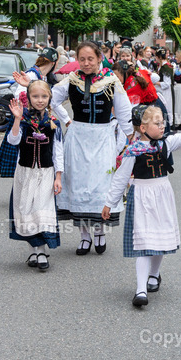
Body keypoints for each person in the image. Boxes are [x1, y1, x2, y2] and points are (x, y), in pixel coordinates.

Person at [104, 105, 181, 306]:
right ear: (143, 128)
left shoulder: (167, 143)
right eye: (157, 123)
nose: (162, 127)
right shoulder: (133, 150)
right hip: (141, 195)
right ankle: (140, 289)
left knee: (160, 238)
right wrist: (109, 203)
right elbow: (120, 178)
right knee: (143, 242)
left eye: (163, 123)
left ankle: (154, 274)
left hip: (162, 194)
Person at [49, 41, 133, 255]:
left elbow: (123, 113)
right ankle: (84, 237)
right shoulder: (71, 80)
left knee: (100, 186)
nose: (86, 63)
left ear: (99, 58)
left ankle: (99, 232)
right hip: (78, 138)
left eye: (90, 59)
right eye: (82, 59)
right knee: (78, 184)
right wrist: (67, 120)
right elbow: (52, 100)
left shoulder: (111, 81)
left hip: (103, 137)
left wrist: (132, 137)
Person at [7, 80, 63, 271]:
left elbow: (58, 152)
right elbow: (13, 141)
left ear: (49, 98)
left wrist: (58, 177)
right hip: (25, 173)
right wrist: (16, 118)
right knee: (27, 211)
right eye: (36, 96)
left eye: (44, 96)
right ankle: (33, 249)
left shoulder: (53, 123)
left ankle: (40, 252)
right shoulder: (22, 121)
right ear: (29, 98)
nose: (40, 100)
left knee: (41, 210)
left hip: (45, 173)